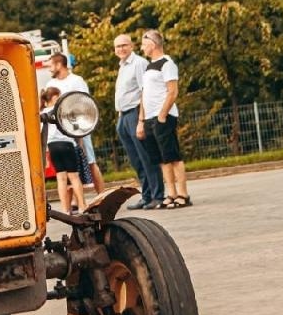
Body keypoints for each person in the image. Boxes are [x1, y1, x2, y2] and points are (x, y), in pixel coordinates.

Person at [136, 30, 191, 207]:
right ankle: (171, 194)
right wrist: (141, 120)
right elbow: (144, 94)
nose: (142, 48)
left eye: (144, 44)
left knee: (172, 156)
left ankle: (183, 194)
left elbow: (172, 91)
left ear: (152, 44)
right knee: (161, 159)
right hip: (149, 118)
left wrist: (162, 115)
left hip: (163, 117)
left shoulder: (167, 64)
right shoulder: (148, 67)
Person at [113, 33, 164, 209]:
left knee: (146, 156)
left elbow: (145, 91)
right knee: (136, 160)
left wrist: (141, 120)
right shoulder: (122, 66)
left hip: (135, 114)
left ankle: (157, 195)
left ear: (131, 46)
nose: (121, 49)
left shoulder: (138, 63)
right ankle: (146, 195)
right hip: (123, 116)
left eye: (124, 45)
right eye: (117, 46)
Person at [46, 52, 105, 194]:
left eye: (51, 65)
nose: (49, 69)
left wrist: (83, 126)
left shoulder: (77, 80)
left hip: (79, 127)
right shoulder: (50, 84)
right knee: (69, 169)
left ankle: (102, 196)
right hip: (61, 131)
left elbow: (87, 102)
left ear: (59, 65)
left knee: (90, 161)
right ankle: (74, 202)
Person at [40, 86, 87, 214]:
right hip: (67, 144)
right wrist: (80, 144)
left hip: (53, 146)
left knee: (61, 178)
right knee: (74, 177)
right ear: (55, 97)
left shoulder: (43, 113)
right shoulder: (63, 110)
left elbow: (41, 134)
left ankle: (65, 209)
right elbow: (75, 128)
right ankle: (82, 206)